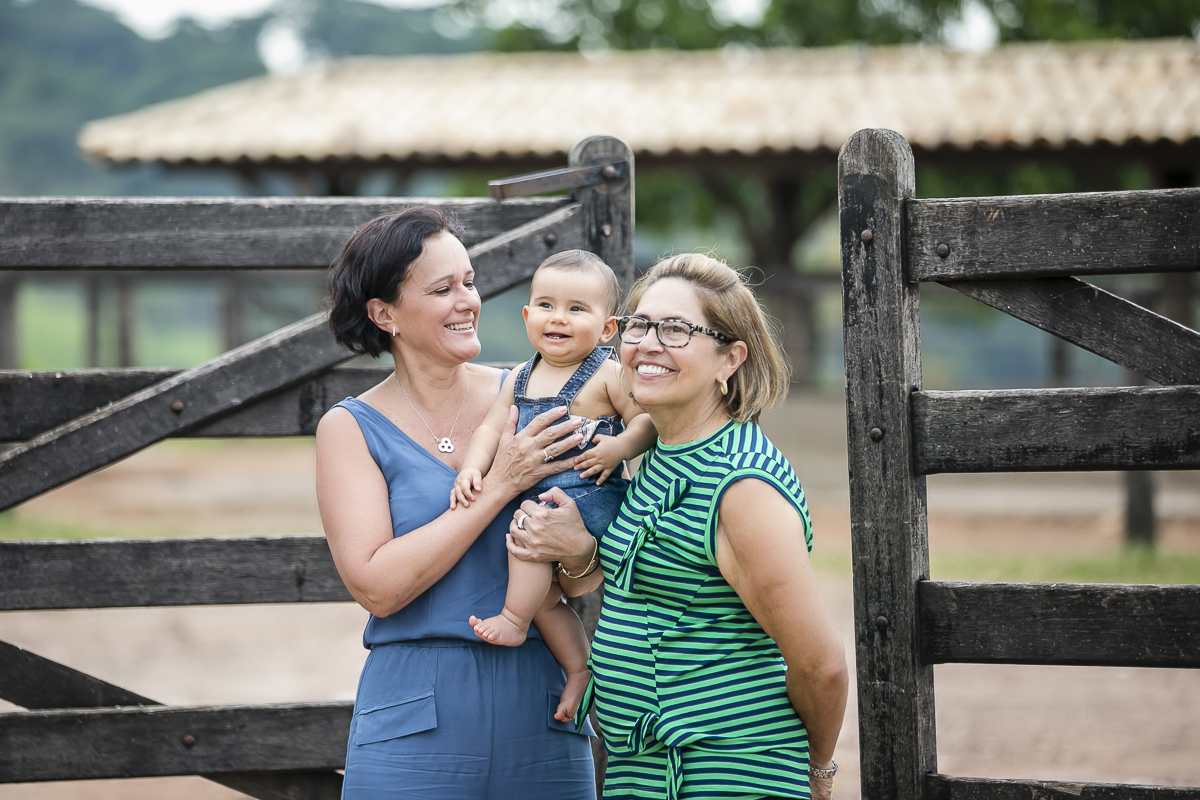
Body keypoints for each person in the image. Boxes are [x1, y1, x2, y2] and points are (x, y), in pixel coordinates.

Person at [507, 253, 849, 800]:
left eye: (676, 330)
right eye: (640, 324)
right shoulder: (664, 453)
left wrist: (819, 771)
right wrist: (580, 550)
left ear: (728, 359)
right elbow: (659, 596)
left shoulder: (742, 487)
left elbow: (822, 666)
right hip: (643, 773)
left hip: (725, 774)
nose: (647, 343)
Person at [315, 207, 597, 799]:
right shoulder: (349, 428)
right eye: (443, 289)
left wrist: (576, 553)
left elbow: (581, 581)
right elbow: (378, 586)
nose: (468, 300)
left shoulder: (535, 395)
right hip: (412, 715)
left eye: (469, 281)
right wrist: (497, 484)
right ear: (384, 313)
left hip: (544, 706)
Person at [449, 250, 657, 721]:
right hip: (543, 497)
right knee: (545, 596)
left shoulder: (607, 373)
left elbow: (645, 421)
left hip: (592, 492)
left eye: (576, 309)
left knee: (527, 535)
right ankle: (579, 668)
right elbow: (489, 429)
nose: (557, 318)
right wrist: (473, 468)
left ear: (608, 330)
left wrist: (619, 448)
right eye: (545, 305)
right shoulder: (521, 376)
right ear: (527, 315)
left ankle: (512, 620)